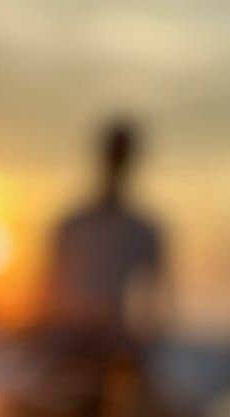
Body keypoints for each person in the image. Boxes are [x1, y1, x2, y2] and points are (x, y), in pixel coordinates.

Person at [41, 118, 169, 351]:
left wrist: (141, 347)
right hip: (68, 344)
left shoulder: (142, 231)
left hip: (115, 345)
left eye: (120, 155)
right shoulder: (72, 227)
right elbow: (46, 291)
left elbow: (156, 304)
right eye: (114, 154)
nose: (115, 163)